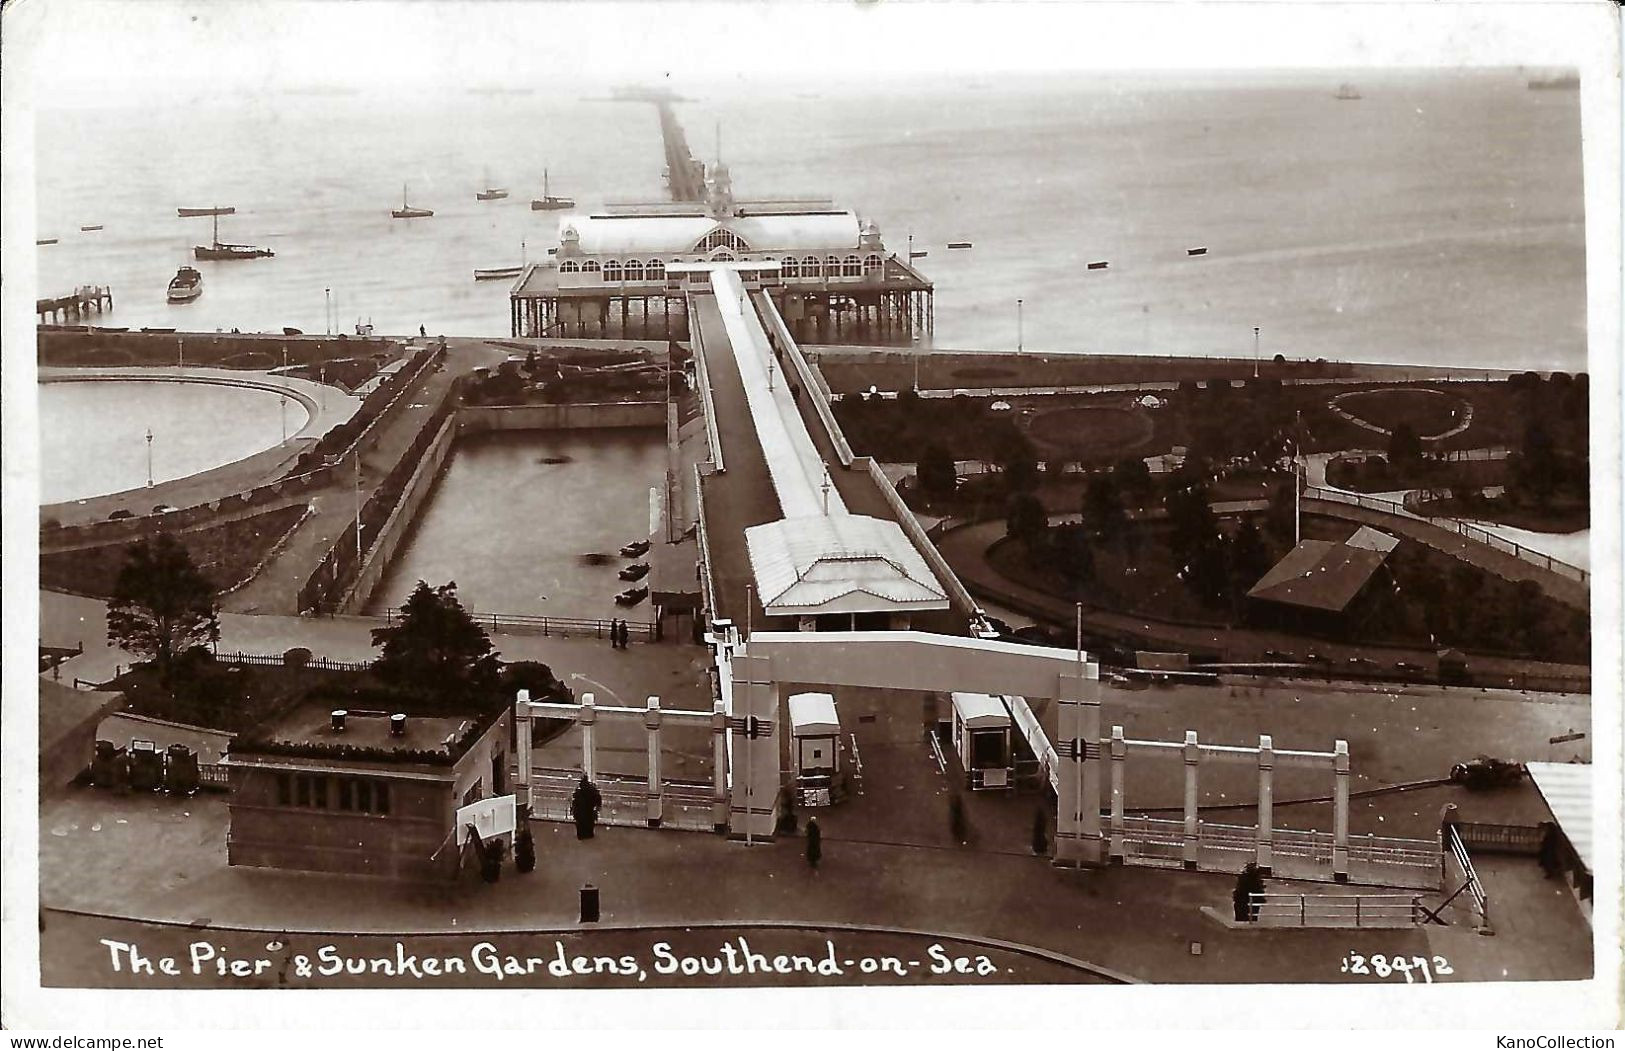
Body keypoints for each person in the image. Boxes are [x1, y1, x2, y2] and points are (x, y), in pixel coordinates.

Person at [570, 775, 602, 840]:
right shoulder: (592, 789)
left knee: (581, 823)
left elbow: (575, 801)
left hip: (580, 810)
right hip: (589, 810)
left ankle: (582, 835)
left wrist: (573, 809)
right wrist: (598, 807)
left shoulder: (578, 791)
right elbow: (598, 798)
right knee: (589, 822)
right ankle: (588, 834)